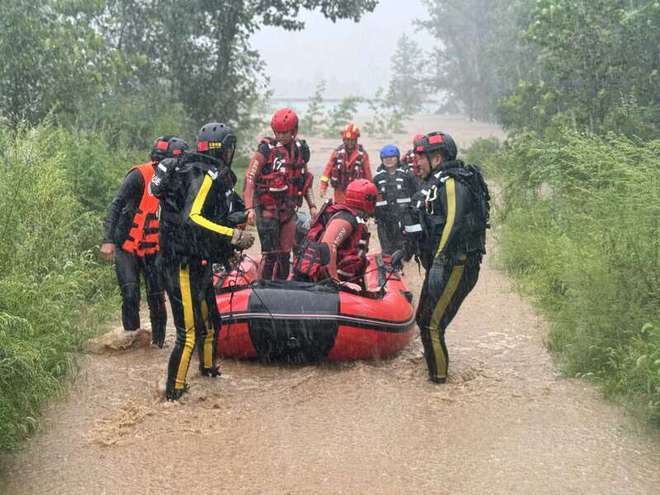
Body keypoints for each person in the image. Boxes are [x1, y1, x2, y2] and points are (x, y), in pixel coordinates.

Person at [151, 122, 255, 401]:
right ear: (225, 149)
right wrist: (232, 235)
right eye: (231, 148)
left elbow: (209, 222)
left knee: (210, 323)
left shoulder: (206, 173)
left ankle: (208, 373)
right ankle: (174, 395)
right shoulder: (205, 175)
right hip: (180, 264)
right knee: (188, 333)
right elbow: (193, 218)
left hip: (198, 261)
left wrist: (226, 251)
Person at [410, 131, 490, 383]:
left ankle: (439, 391)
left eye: (420, 158)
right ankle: (433, 368)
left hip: (457, 265)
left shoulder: (453, 182)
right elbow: (426, 225)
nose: (415, 163)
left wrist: (441, 262)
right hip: (443, 264)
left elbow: (453, 224)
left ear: (436, 158)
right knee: (423, 318)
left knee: (432, 325)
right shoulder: (434, 183)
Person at [101, 136, 188, 347]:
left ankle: (158, 345)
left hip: (156, 249)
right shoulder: (138, 176)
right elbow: (116, 204)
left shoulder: (180, 183)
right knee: (130, 293)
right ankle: (131, 343)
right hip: (127, 246)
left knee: (157, 298)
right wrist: (108, 240)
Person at [244, 108, 317, 280]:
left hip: (289, 210)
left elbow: (305, 181)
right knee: (270, 255)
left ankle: (282, 288)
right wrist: (249, 208)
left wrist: (312, 206)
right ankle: (263, 287)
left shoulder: (301, 150)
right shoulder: (265, 150)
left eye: (285, 133)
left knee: (285, 255)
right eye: (278, 132)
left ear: (294, 131)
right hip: (266, 209)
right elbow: (249, 179)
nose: (281, 136)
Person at [293, 178, 377, 290]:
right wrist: (335, 281)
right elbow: (328, 245)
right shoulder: (346, 220)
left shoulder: (354, 218)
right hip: (318, 280)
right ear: (367, 200)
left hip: (325, 278)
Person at [372, 144, 418, 257]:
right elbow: (373, 198)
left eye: (392, 157)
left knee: (403, 246)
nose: (389, 160)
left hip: (403, 217)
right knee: (386, 247)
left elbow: (416, 192)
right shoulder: (378, 178)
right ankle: (389, 266)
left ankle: (403, 265)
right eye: (386, 158)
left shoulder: (407, 174)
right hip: (384, 219)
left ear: (397, 158)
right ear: (381, 160)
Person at [319, 123, 372, 203]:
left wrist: (370, 192)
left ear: (356, 140)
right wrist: (323, 187)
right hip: (339, 194)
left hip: (357, 195)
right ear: (343, 140)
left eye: (352, 140)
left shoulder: (363, 155)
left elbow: (368, 175)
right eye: (347, 140)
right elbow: (327, 171)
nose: (350, 143)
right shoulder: (337, 153)